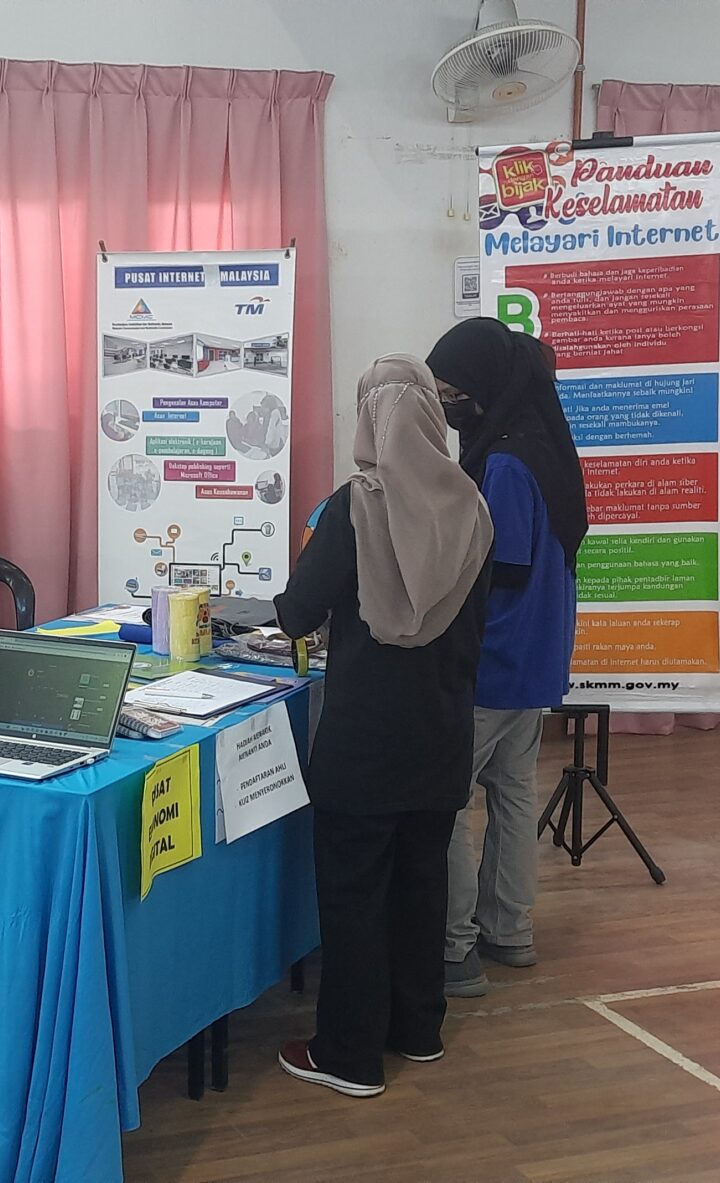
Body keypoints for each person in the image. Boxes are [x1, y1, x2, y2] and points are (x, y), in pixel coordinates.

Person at [272, 354, 494, 1097]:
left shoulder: (353, 507)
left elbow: (297, 612)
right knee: (421, 884)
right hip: (442, 733)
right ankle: (418, 1029)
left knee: (354, 894)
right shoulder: (471, 505)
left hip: (365, 741)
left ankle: (348, 1055)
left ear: (370, 418)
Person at [421, 318, 589, 998]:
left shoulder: (507, 466)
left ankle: (454, 947)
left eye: (451, 391)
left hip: (493, 662)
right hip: (537, 660)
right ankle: (510, 930)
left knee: (446, 802)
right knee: (515, 795)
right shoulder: (545, 448)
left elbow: (500, 570)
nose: (446, 404)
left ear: (485, 385)